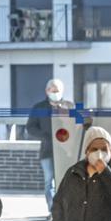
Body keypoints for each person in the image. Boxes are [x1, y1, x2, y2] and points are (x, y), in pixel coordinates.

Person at [27, 78, 75, 213]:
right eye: (52, 90)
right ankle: (53, 211)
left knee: (65, 181)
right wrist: (46, 136)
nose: (55, 93)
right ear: (47, 91)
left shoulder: (69, 106)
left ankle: (65, 209)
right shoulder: (39, 108)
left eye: (57, 90)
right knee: (49, 182)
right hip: (47, 150)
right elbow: (30, 127)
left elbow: (78, 125)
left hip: (66, 151)